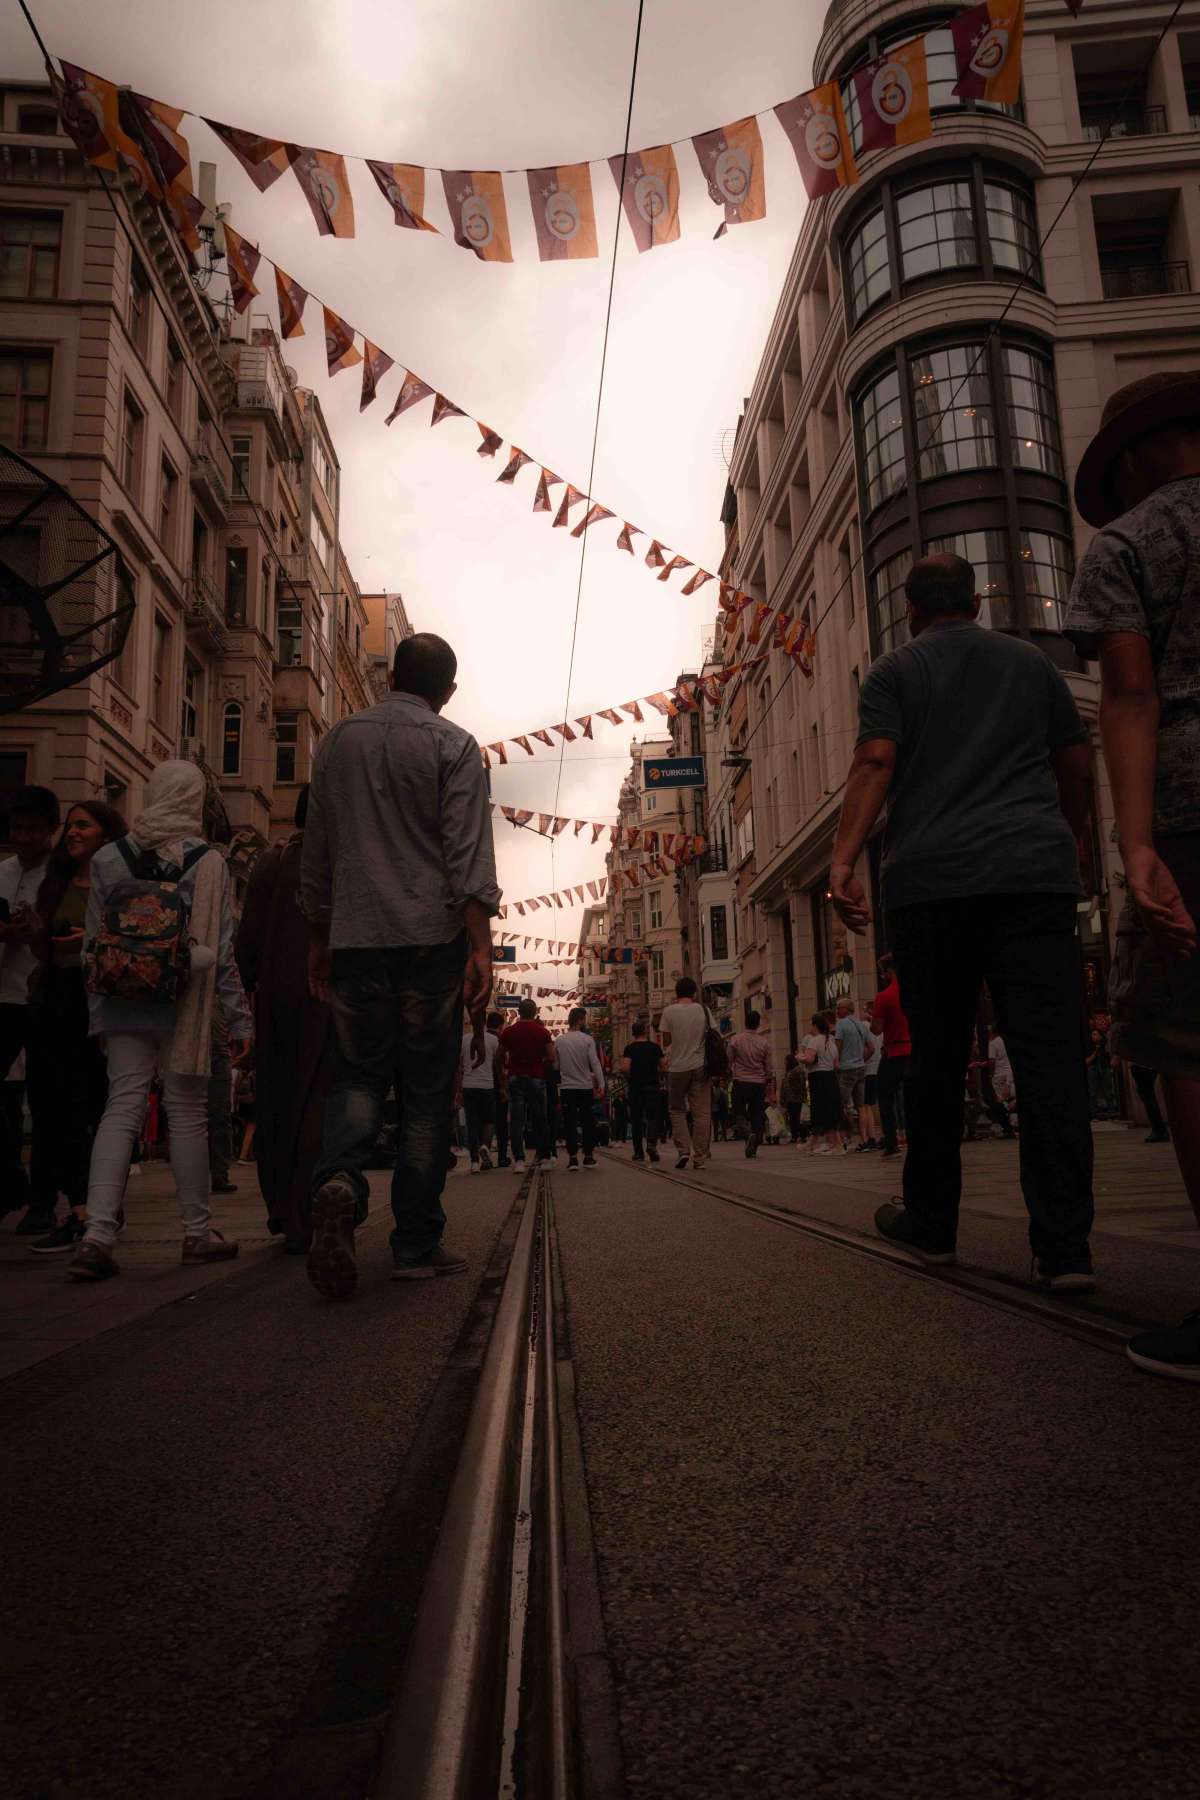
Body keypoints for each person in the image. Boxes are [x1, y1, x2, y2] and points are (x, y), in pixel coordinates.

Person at [830, 552, 1097, 1292]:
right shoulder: (1030, 664)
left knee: (938, 1058)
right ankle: (1065, 1248)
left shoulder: (894, 673)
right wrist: (1070, 834)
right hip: (1032, 877)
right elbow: (1074, 757)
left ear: (910, 608)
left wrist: (843, 861)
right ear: (976, 600)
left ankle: (934, 1222)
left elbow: (876, 764)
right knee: (1048, 1060)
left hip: (932, 884)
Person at [1062, 370, 1200, 1375]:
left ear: (1142, 454)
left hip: (1191, 794)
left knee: (1190, 1039)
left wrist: (1136, 842)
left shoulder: (1127, 544)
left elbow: (1130, 693)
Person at [300, 634, 499, 1296]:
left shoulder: (336, 743)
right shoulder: (453, 745)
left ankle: (339, 1182)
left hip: (356, 937)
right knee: (423, 1093)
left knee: (356, 1079)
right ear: (445, 689)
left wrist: (319, 936)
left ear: (389, 677)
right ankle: (414, 1241)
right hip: (430, 941)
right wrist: (479, 947)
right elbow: (468, 854)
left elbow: (318, 846)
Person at [68, 761, 251, 1281]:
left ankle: (97, 1235)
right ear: (192, 801)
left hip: (121, 995)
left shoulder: (108, 857)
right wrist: (239, 1022)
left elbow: (91, 945)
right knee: (188, 1112)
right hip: (184, 997)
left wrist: (99, 1009)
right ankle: (196, 1233)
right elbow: (223, 952)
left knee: (121, 1105)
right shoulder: (209, 862)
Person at [235, 786, 334, 1252]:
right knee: (315, 1097)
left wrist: (257, 990)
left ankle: (279, 1208)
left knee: (276, 1098)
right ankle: (302, 1212)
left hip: (275, 997)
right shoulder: (336, 863)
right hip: (324, 994)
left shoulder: (270, 861)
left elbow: (246, 943)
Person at [24, 799, 126, 1252]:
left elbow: (134, 935)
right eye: (69, 825)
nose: (72, 832)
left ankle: (91, 1209)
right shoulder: (57, 881)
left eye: (82, 825)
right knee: (48, 1102)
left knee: (85, 1105)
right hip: (53, 998)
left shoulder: (119, 880)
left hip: (95, 1003)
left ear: (106, 833)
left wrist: (92, 940)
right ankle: (65, 1203)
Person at [0, 784, 59, 1232]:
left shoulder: (61, 876)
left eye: (33, 829)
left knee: (45, 1100)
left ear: (49, 831)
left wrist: (40, 932)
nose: (23, 837)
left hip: (42, 998)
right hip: (2, 995)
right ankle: (9, 1182)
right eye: (17, 828)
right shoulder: (1, 872)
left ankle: (42, 1199)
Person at [659, 976, 712, 1171]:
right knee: (701, 1113)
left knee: (677, 1109)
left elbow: (665, 1041)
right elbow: (712, 1033)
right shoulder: (702, 1010)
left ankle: (683, 1151)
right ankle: (700, 1158)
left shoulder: (669, 1011)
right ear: (694, 993)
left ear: (676, 993)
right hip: (700, 1066)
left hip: (677, 1067)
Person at [499, 998, 554, 1170]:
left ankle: (519, 1160)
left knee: (517, 1120)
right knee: (540, 1118)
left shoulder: (508, 1032)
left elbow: (499, 1055)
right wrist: (539, 1060)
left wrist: (505, 1071)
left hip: (516, 1078)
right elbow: (551, 1057)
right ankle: (544, 1157)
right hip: (536, 1077)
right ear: (535, 1011)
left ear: (519, 1012)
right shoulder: (542, 1032)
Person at [555, 1008, 605, 1170]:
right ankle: (588, 1156)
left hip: (567, 1087)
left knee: (569, 1122)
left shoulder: (560, 1041)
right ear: (581, 1020)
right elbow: (595, 1063)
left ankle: (572, 1158)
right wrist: (601, 1085)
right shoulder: (587, 1040)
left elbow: (556, 1065)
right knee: (587, 1121)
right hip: (585, 1086)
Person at [873, 953, 910, 1159]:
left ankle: (891, 1143)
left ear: (888, 971)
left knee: (885, 1097)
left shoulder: (884, 996)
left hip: (894, 1052)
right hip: (913, 1050)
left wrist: (876, 1021)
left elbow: (877, 1029)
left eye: (882, 972)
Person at [726, 1010, 774, 1157]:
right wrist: (768, 1080)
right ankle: (755, 1142)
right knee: (757, 1114)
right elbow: (768, 1066)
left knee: (738, 1112)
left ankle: (747, 1133)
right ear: (758, 1024)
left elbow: (729, 1061)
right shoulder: (764, 1042)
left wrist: (730, 1074)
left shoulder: (735, 1040)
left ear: (745, 1022)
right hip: (759, 1083)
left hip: (741, 1081)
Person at [458, 1008, 499, 1172]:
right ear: (485, 1021)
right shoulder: (492, 1040)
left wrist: (458, 1090)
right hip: (487, 1086)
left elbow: (459, 1067)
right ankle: (485, 1145)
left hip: (468, 1086)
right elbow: (499, 1063)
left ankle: (474, 1162)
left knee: (472, 1123)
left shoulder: (464, 1040)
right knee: (489, 1121)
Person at [620, 1018, 664, 1163]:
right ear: (645, 1031)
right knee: (652, 1117)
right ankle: (651, 1144)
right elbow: (664, 1066)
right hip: (652, 1086)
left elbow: (625, 1068)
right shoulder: (654, 1047)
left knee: (636, 1120)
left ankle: (638, 1152)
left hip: (636, 1087)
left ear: (633, 1033)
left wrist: (630, 1077)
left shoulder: (630, 1048)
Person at [800, 1014, 841, 1154]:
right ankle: (815, 1144)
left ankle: (836, 1145)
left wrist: (800, 1058)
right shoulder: (831, 1040)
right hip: (831, 1077)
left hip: (818, 1077)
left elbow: (809, 1059)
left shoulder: (814, 1040)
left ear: (815, 1026)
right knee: (829, 1110)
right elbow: (836, 1065)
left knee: (820, 1110)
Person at [834, 998, 871, 1152]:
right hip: (860, 1068)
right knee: (861, 1106)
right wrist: (861, 1060)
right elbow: (872, 1048)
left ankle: (841, 1140)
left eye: (838, 1008)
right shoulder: (861, 1025)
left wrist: (836, 1064)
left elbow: (838, 1048)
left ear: (846, 1009)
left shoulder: (842, 1024)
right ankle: (864, 1141)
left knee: (840, 1103)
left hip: (846, 1069)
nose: (836, 1011)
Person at [208, 1017, 237, 1196]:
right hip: (200, 1049)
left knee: (220, 1118)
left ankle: (220, 1175)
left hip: (218, 1053)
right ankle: (206, 1175)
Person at [487, 1009, 513, 1167]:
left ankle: (480, 1155)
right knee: (501, 1122)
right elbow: (502, 1065)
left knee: (483, 1121)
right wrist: (504, 1087)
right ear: (500, 1026)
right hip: (496, 1086)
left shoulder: (475, 1038)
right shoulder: (499, 1041)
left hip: (478, 1085)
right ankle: (502, 1156)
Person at [858, 1012, 882, 1151]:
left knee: (865, 1106)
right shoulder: (875, 1034)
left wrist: (861, 1061)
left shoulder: (864, 1030)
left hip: (868, 1071)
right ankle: (874, 1137)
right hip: (875, 1070)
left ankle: (870, 1137)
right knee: (870, 1105)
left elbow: (869, 1051)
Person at [780, 1052, 808, 1144]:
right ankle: (795, 1135)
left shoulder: (797, 1071)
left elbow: (801, 1085)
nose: (784, 1063)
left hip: (796, 1098)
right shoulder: (790, 1071)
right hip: (790, 1098)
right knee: (793, 1118)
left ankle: (798, 1135)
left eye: (786, 1061)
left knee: (796, 1118)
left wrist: (803, 1096)